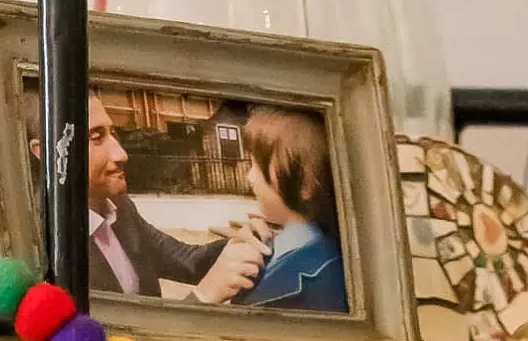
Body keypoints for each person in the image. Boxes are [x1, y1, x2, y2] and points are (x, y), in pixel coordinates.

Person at [86, 93, 260, 304]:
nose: (121, 154)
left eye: (113, 133)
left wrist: (244, 242)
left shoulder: (121, 209)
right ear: (45, 151)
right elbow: (111, 336)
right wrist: (203, 296)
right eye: (96, 138)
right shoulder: (45, 254)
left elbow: (188, 260)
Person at [235, 106, 348, 313]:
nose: (249, 177)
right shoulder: (278, 241)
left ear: (305, 183)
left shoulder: (324, 275)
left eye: (257, 165)